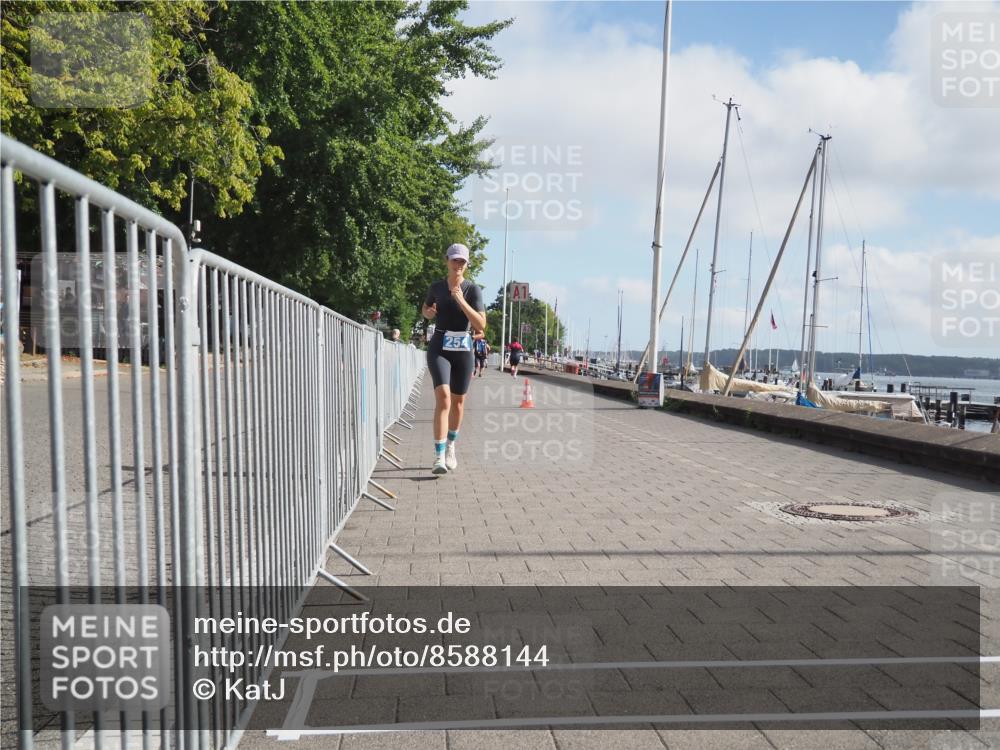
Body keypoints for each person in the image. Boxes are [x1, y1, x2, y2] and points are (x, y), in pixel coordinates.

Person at [422, 243, 486, 475]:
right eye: (454, 260)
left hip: (463, 349)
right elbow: (426, 308)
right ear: (446, 261)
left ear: (467, 265)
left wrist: (460, 300)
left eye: (462, 261)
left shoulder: (472, 290)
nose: (458, 264)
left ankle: (450, 446)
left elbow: (480, 325)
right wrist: (427, 313)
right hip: (439, 346)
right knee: (444, 398)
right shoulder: (437, 287)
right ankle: (438, 456)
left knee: (458, 402)